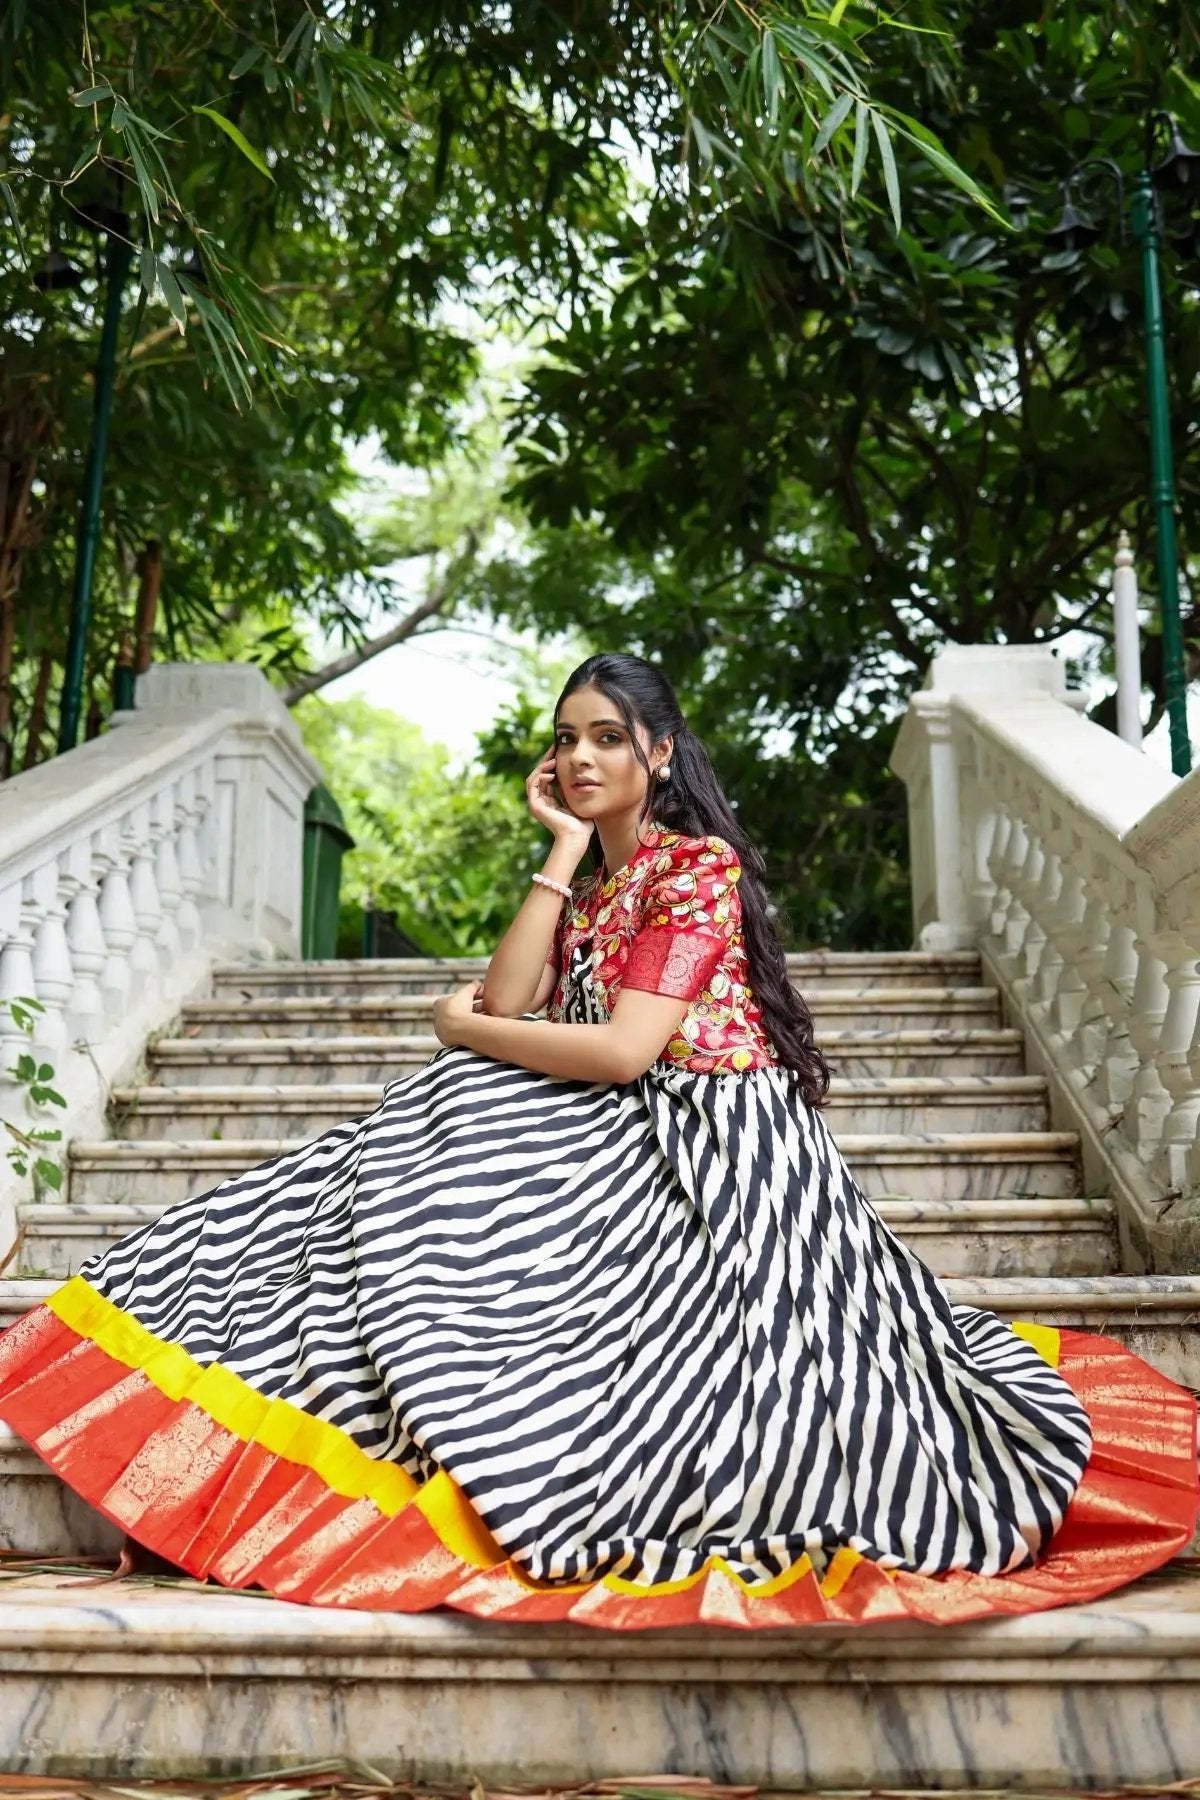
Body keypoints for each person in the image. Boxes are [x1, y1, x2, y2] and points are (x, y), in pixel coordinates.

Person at [0, 653, 1194, 1630]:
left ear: (660, 755)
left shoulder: (697, 873)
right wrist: (559, 858)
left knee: (454, 1101)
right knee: (431, 1117)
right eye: (567, 737)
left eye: (609, 738)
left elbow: (619, 1051)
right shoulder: (605, 877)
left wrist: (471, 1028)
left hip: (718, 1148)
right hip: (627, 1128)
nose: (579, 758)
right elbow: (513, 1001)